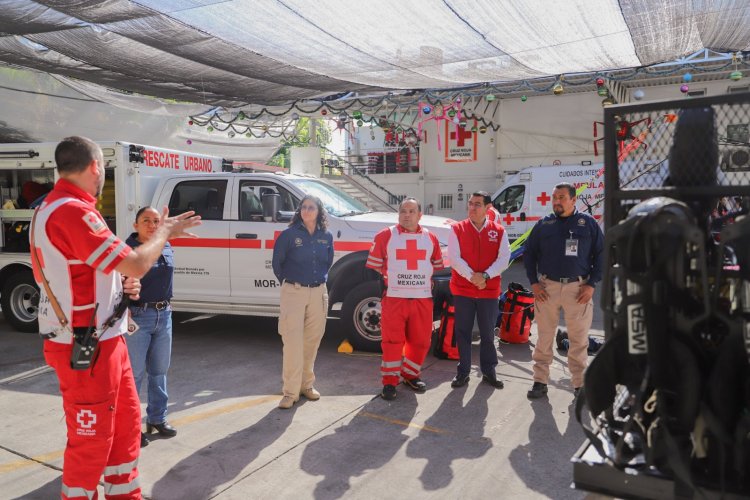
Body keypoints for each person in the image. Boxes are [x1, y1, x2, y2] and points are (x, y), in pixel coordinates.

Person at [32, 136, 200, 500]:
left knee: (124, 430)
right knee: (91, 443)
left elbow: (89, 271)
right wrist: (166, 232)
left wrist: (121, 286)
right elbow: (139, 262)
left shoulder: (56, 206)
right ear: (96, 167)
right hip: (87, 350)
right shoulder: (72, 211)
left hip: (103, 342)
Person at [523, 182, 604, 399]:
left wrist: (591, 284)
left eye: (561, 197)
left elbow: (602, 254)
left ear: (573, 199)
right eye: (554, 198)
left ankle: (579, 385)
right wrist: (534, 283)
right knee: (544, 337)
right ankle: (540, 381)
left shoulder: (587, 224)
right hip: (546, 288)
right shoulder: (543, 224)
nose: (556, 202)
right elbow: (529, 255)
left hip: (578, 289)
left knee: (578, 340)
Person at [366, 197, 444, 400]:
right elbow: (375, 265)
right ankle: (390, 382)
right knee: (392, 342)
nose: (406, 215)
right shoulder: (385, 236)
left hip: (422, 299)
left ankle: (411, 375)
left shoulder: (431, 238)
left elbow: (435, 266)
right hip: (394, 299)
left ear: (420, 215)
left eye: (411, 211)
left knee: (420, 341)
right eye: (403, 211)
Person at [272, 195, 334, 410]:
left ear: (319, 212)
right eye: (304, 207)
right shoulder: (288, 235)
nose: (307, 211)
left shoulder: (326, 236)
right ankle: (290, 392)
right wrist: (291, 286)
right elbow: (277, 263)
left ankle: (306, 386)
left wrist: (316, 285)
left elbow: (328, 262)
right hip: (294, 292)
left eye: (311, 207)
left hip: (318, 293)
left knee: (312, 341)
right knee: (292, 344)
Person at [125, 207, 177, 448]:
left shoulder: (164, 245)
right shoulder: (128, 250)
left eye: (157, 221)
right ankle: (131, 427)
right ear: (135, 225)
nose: (152, 225)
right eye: (146, 220)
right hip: (138, 316)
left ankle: (157, 418)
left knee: (159, 371)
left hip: (163, 314)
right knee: (133, 376)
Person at [448, 191, 511, 389]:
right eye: (470, 203)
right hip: (463, 290)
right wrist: (473, 277)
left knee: (487, 334)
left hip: (488, 291)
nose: (472, 208)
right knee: (463, 333)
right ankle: (463, 372)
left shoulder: (499, 231)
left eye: (477, 204)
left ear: (487, 208)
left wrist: (484, 276)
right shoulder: (457, 229)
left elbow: (504, 259)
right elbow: (454, 258)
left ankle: (489, 371)